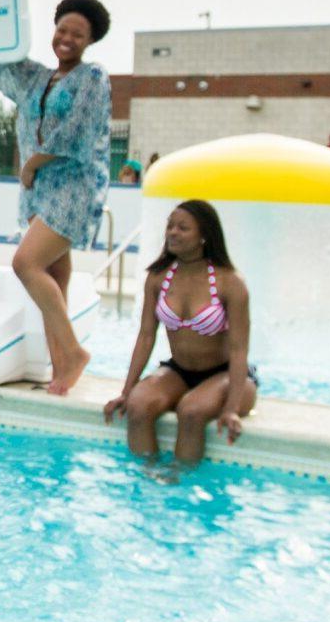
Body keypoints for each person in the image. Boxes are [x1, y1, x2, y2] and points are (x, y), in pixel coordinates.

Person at [0, 0, 115, 395]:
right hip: (40, 193)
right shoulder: (37, 78)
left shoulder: (93, 77)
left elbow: (77, 133)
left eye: (78, 33)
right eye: (62, 29)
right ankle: (60, 369)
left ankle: (73, 353)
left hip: (72, 188)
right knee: (55, 274)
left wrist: (31, 163)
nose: (67, 38)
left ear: (90, 41)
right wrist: (4, 18)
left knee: (26, 263)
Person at [102, 198, 254, 471]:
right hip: (179, 371)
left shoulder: (230, 282)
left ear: (204, 236)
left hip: (225, 374)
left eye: (183, 228)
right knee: (138, 406)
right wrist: (126, 391)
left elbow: (239, 350)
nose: (172, 232)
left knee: (192, 411)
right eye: (170, 226)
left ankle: (180, 483)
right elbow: (146, 336)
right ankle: (147, 479)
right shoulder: (159, 278)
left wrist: (231, 408)